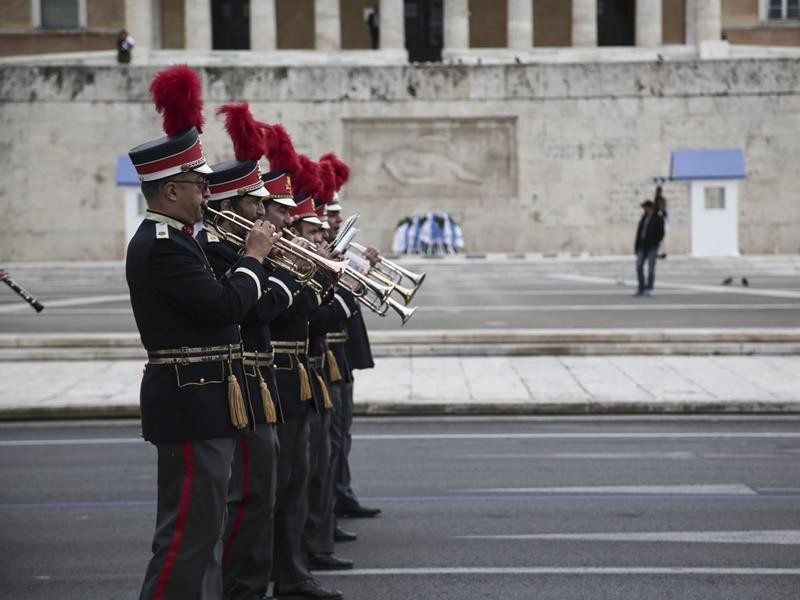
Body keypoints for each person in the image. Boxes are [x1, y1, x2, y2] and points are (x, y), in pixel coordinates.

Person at [126, 65, 280, 599]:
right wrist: (255, 258)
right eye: (198, 183)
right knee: (188, 538)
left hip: (206, 398)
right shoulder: (163, 246)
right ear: (171, 190)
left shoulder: (178, 240)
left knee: (205, 531)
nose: (207, 191)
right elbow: (225, 306)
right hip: (191, 401)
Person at [197, 102, 302, 600]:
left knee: (265, 495)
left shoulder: (244, 254)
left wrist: (269, 263)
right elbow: (258, 311)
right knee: (248, 499)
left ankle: (255, 585)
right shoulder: (218, 252)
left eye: (262, 204)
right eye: (251, 204)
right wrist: (266, 262)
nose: (262, 212)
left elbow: (284, 302)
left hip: (261, 385)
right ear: (227, 206)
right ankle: (240, 589)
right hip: (240, 383)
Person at [633, 199, 665, 297]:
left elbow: (661, 233)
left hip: (652, 247)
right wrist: (636, 246)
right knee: (639, 266)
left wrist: (656, 242)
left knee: (651, 268)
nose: (644, 209)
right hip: (642, 246)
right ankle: (641, 287)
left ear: (650, 208)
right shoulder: (643, 217)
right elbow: (639, 232)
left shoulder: (658, 218)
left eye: (645, 207)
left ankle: (649, 288)